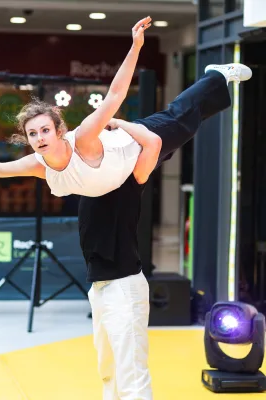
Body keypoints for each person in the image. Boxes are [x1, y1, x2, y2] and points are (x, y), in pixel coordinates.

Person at [79, 62, 252, 400]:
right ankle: (212, 82)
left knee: (179, 119)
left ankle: (215, 76)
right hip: (103, 283)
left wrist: (121, 124)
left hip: (139, 139)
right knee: (109, 368)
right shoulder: (84, 169)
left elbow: (137, 123)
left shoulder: (118, 160)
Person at [0, 17, 163, 197]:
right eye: (33, 134)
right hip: (118, 179)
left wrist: (136, 47)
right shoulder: (37, 164)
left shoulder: (83, 136)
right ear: (27, 139)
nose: (39, 138)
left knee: (183, 111)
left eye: (44, 130)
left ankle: (202, 85)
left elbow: (115, 95)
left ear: (59, 131)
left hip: (142, 138)